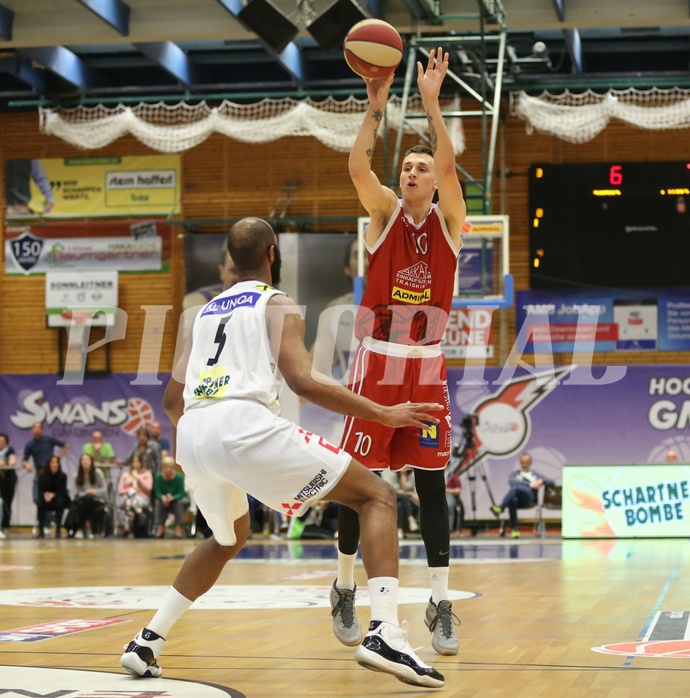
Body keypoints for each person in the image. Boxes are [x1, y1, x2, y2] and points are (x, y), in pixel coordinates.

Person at [119, 216, 446, 688]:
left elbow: (171, 402)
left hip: (192, 432)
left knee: (229, 537)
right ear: (272, 254)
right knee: (376, 496)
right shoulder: (278, 303)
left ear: (232, 260)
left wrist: (210, 443)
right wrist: (384, 413)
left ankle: (147, 640)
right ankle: (386, 632)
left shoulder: (198, 314)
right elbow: (304, 382)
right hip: (243, 425)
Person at [331, 47, 466, 657]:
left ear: (435, 177)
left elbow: (450, 160)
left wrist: (434, 106)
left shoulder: (451, 221)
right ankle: (343, 585)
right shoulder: (383, 214)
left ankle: (440, 598)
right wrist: (373, 106)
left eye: (421, 166)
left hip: (427, 366)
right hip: (376, 363)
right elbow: (358, 167)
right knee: (358, 484)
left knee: (433, 486)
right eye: (406, 166)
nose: (411, 172)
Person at [490, 452, 556, 538]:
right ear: (520, 463)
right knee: (513, 500)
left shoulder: (535, 474)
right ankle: (515, 530)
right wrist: (530, 484)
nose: (524, 464)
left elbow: (552, 481)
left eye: (526, 462)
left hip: (529, 498)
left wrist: (542, 481)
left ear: (530, 463)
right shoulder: (514, 474)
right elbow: (512, 481)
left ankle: (501, 507)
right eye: (522, 462)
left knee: (515, 488)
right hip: (518, 500)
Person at [22, 422, 70, 509]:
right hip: (40, 473)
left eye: (39, 428)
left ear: (42, 430)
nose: (37, 429)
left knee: (55, 495)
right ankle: (47, 519)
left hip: (52, 472)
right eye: (35, 428)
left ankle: (51, 519)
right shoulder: (30, 445)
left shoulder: (48, 440)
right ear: (32, 430)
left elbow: (65, 445)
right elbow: (24, 460)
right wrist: (27, 465)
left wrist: (58, 458)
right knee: (37, 497)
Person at [182, 244, 239, 311]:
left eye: (248, 271)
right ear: (221, 272)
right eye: (234, 271)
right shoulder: (204, 298)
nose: (241, 277)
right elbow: (190, 303)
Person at [68, 453, 108, 539]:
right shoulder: (77, 475)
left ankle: (86, 528)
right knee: (83, 502)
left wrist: (94, 492)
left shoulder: (98, 473)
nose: (85, 462)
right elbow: (78, 492)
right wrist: (87, 493)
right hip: (84, 499)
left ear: (91, 462)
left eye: (87, 460)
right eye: (83, 460)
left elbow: (104, 490)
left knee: (88, 502)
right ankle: (84, 529)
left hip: (97, 499)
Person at [152, 457, 189, 539]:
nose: (168, 469)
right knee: (158, 502)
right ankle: (160, 527)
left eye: (171, 467)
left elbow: (181, 492)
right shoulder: (158, 477)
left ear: (174, 468)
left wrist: (173, 497)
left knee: (178, 502)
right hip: (164, 501)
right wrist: (162, 497)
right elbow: (157, 492)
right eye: (166, 467)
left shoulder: (179, 477)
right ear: (162, 468)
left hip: (178, 500)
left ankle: (178, 527)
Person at [117, 454, 153, 538]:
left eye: (137, 462)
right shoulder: (126, 475)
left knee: (129, 503)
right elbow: (120, 491)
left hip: (142, 499)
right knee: (130, 495)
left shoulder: (147, 474)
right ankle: (138, 511)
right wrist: (130, 488)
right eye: (133, 462)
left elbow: (149, 488)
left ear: (141, 463)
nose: (135, 464)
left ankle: (128, 529)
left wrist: (139, 479)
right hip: (127, 499)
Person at [36, 456, 71, 539]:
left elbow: (63, 491)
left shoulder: (63, 476)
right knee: (40, 503)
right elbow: (40, 490)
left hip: (57, 497)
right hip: (45, 498)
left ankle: (58, 530)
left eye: (56, 462)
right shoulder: (42, 475)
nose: (54, 464)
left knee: (60, 503)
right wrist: (45, 495)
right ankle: (41, 530)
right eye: (52, 462)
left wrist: (53, 495)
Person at [0, 433, 17, 537]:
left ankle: (5, 526)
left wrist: (4, 463)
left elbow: (12, 462)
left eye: (2, 441)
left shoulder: (10, 450)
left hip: (8, 480)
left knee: (6, 503)